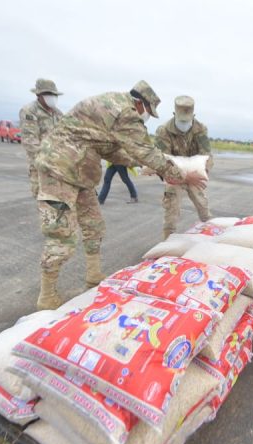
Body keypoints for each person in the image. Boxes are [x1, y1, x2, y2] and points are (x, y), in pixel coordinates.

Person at [34, 81, 206, 310]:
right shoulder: (125, 111)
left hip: (81, 172)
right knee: (62, 238)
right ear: (140, 103)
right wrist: (179, 175)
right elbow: (144, 149)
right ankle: (47, 297)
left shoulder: (113, 107)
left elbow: (112, 150)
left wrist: (148, 166)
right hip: (59, 170)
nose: (147, 118)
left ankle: (94, 276)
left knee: (94, 226)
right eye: (148, 112)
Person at [154, 96, 212, 239]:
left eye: (187, 120)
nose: (184, 124)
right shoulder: (164, 131)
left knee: (203, 208)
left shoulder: (200, 129)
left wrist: (202, 172)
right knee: (171, 213)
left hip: (195, 177)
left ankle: (212, 236)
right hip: (173, 177)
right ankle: (167, 244)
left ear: (193, 116)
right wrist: (178, 175)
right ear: (174, 115)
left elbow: (207, 156)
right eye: (181, 121)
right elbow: (162, 160)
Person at [19, 78, 63, 198]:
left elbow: (65, 136)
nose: (52, 97)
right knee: (45, 201)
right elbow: (30, 141)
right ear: (39, 95)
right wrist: (48, 161)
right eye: (49, 94)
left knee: (60, 201)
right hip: (40, 165)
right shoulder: (30, 111)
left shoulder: (58, 113)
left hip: (58, 166)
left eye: (54, 94)